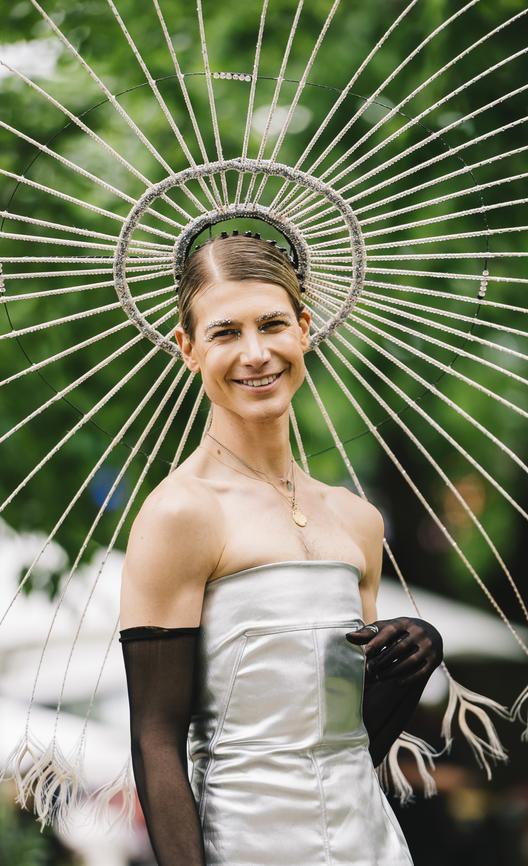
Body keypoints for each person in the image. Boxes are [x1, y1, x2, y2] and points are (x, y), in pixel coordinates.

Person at [118, 232, 443, 866]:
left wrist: (416, 656)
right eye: (225, 332)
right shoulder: (182, 513)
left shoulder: (357, 521)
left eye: (272, 324)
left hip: (370, 846)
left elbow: (353, 741)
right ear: (187, 349)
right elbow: (155, 738)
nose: (256, 353)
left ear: (304, 328)